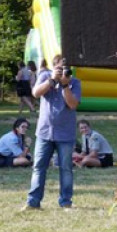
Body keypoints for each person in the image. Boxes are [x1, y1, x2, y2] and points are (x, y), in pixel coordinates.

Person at [25, 55, 81, 210]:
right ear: (54, 66)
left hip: (65, 134)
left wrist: (64, 86)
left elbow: (72, 104)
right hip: (44, 132)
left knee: (66, 169)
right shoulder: (44, 75)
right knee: (38, 167)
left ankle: (66, 202)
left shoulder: (75, 82)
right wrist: (51, 80)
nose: (64, 71)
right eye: (61, 67)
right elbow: (36, 93)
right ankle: (33, 202)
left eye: (67, 68)